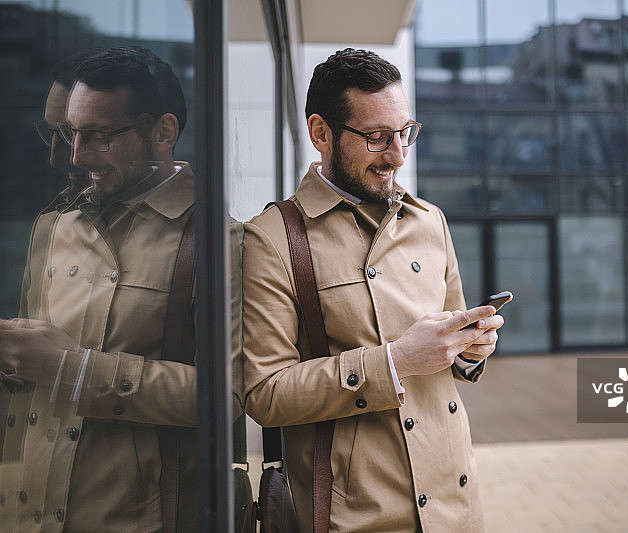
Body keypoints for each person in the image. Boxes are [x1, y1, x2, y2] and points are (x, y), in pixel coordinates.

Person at [243, 48, 504, 532]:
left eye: (405, 132)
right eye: (377, 137)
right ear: (321, 133)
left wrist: (470, 348)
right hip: (358, 516)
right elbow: (264, 393)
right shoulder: (271, 238)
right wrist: (393, 363)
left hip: (458, 506)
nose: (398, 155)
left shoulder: (430, 220)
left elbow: (447, 341)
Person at [0, 45, 244, 532]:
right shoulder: (54, 226)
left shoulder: (221, 240)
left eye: (97, 137)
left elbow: (229, 397)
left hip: (135, 520)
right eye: (70, 135)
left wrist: (75, 369)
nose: (75, 156)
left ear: (163, 132)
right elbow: (28, 385)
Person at [20, 52, 92, 320]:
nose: (55, 159)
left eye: (69, 135)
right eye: (51, 133)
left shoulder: (209, 241)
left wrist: (72, 363)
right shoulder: (49, 225)